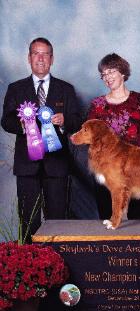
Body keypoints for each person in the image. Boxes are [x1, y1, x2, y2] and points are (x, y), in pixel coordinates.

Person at [1, 37, 82, 242]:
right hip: (27, 166)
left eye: (45, 54)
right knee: (28, 220)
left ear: (52, 59)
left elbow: (78, 121)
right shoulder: (15, 88)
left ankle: (59, 264)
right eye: (36, 53)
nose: (40, 58)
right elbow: (6, 121)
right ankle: (30, 266)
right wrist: (24, 124)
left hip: (57, 166)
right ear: (29, 58)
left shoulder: (66, 89)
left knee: (57, 221)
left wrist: (64, 121)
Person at [87, 53, 140, 220]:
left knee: (139, 218)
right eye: (103, 74)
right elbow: (90, 137)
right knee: (108, 216)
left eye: (111, 71)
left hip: (138, 167)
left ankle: (139, 246)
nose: (107, 77)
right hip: (106, 169)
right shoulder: (97, 105)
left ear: (123, 72)